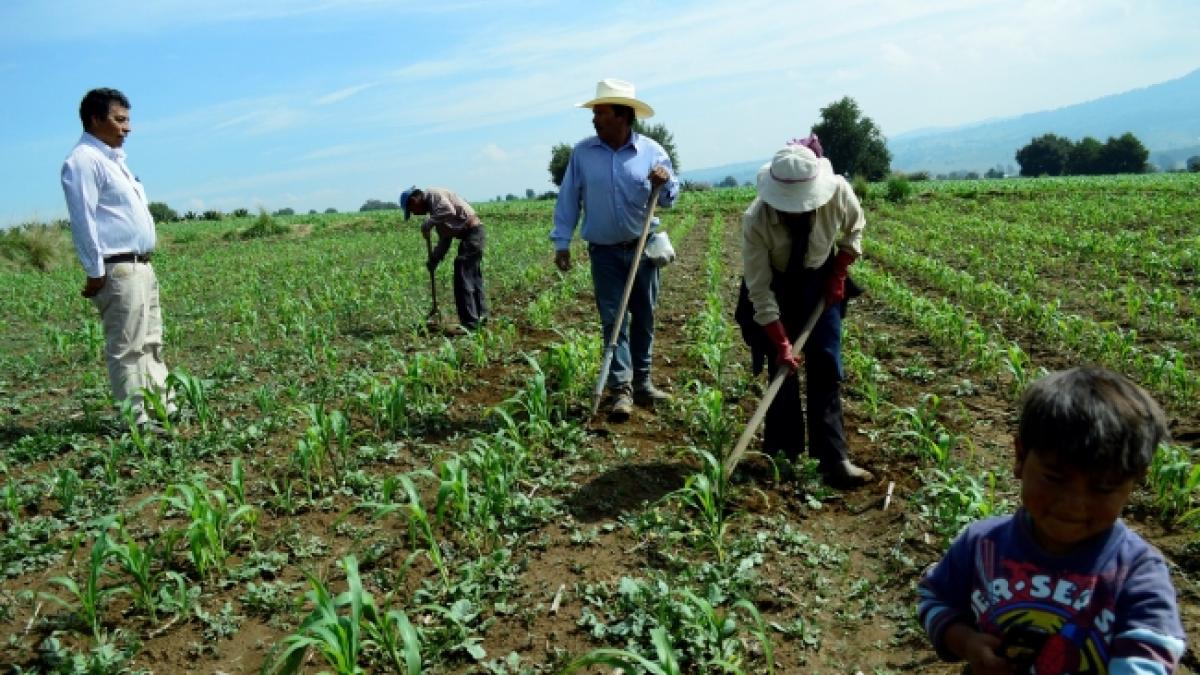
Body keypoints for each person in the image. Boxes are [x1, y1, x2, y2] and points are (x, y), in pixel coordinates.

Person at [918, 367, 1186, 675]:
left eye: (1103, 487)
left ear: (1136, 481)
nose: (1074, 505)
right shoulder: (982, 544)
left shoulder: (1136, 573)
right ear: (1020, 457)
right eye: (1055, 478)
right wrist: (966, 642)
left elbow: (1147, 655)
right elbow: (934, 599)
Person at [734, 137, 873, 486]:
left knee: (825, 363)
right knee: (782, 371)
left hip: (821, 281)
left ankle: (833, 459)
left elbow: (855, 227)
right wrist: (780, 341)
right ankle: (783, 457)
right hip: (778, 288)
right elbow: (760, 291)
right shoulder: (756, 220)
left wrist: (839, 271)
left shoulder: (838, 192)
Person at [550, 78, 679, 421]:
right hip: (604, 252)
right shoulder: (583, 153)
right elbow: (568, 199)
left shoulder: (652, 152)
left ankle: (644, 383)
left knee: (644, 317)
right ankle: (620, 389)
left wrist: (663, 182)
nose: (594, 119)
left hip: (642, 249)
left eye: (601, 112)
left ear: (622, 116)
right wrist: (562, 241)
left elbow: (670, 197)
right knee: (613, 319)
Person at [61, 87, 173, 428]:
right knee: (127, 347)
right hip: (118, 268)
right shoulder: (82, 161)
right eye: (119, 120)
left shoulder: (114, 162)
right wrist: (95, 272)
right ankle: (134, 418)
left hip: (140, 265)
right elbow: (83, 220)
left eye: (128, 120)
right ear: (96, 120)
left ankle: (162, 407)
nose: (127, 128)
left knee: (151, 341)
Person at [400, 186, 488, 331]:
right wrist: (434, 259)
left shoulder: (433, 195)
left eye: (411, 210)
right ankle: (480, 317)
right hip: (470, 235)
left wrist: (429, 224)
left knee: (462, 270)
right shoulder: (435, 213)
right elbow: (445, 239)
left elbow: (449, 210)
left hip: (473, 232)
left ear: (414, 200)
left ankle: (470, 324)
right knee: (472, 275)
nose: (414, 214)